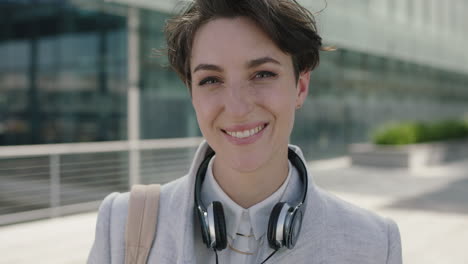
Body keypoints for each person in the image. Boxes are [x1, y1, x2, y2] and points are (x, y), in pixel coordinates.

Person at [88, 0, 402, 263]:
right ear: (192, 94)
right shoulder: (123, 224)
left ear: (300, 87)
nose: (237, 108)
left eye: (262, 74)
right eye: (211, 80)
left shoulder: (373, 244)